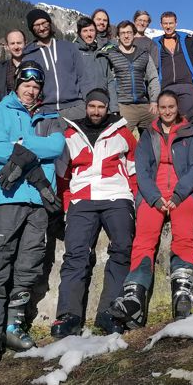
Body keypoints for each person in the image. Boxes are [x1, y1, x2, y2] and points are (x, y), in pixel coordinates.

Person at [0, 61, 66, 363]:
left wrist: (23, 145)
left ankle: (14, 325)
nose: (31, 89)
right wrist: (31, 147)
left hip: (38, 201)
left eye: (36, 86)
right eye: (27, 84)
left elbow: (57, 145)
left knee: (28, 265)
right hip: (7, 198)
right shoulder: (0, 111)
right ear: (17, 84)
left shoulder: (49, 117)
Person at [109, 90, 193, 328]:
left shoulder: (191, 132)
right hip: (153, 195)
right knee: (144, 239)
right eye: (163, 107)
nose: (168, 111)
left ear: (177, 108)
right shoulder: (148, 135)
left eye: (171, 106)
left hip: (185, 193)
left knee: (184, 234)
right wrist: (154, 197)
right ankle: (135, 297)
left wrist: (179, 194)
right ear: (157, 109)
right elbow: (142, 170)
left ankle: (182, 291)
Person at [52, 88, 137, 338]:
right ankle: (69, 315)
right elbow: (63, 174)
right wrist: (68, 203)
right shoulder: (70, 134)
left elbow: (134, 168)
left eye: (101, 107)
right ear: (86, 107)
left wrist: (132, 198)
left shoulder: (122, 132)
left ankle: (109, 312)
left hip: (117, 195)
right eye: (92, 107)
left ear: (107, 108)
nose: (96, 111)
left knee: (122, 248)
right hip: (82, 198)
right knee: (76, 254)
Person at [22, 9, 90, 120]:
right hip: (46, 112)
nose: (42, 27)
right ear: (32, 29)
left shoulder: (69, 48)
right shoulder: (29, 57)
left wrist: (88, 103)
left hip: (76, 108)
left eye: (44, 23)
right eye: (37, 25)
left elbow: (83, 78)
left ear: (50, 23)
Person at [98, 20, 160, 134]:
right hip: (123, 106)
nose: (126, 36)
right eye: (123, 33)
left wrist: (154, 101)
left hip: (144, 105)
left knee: (159, 132)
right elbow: (107, 80)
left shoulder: (144, 54)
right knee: (121, 140)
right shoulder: (111, 54)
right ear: (118, 36)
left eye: (129, 32)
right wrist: (113, 106)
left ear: (134, 34)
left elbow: (153, 78)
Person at [153, 11, 193, 123]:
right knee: (169, 121)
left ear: (176, 23)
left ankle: (190, 140)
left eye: (170, 23)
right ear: (161, 24)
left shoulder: (187, 40)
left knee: (186, 120)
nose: (168, 26)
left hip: (187, 86)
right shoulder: (155, 43)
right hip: (166, 87)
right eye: (165, 23)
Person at [75, 16, 117, 112]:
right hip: (83, 108)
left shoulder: (101, 53)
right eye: (85, 31)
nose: (89, 34)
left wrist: (114, 107)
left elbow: (110, 81)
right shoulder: (74, 52)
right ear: (79, 33)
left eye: (91, 30)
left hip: (104, 106)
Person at [0, 29, 27, 103]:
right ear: (7, 46)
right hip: (7, 111)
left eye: (19, 43)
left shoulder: (34, 66)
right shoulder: (0, 69)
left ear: (25, 43)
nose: (16, 47)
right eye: (12, 43)